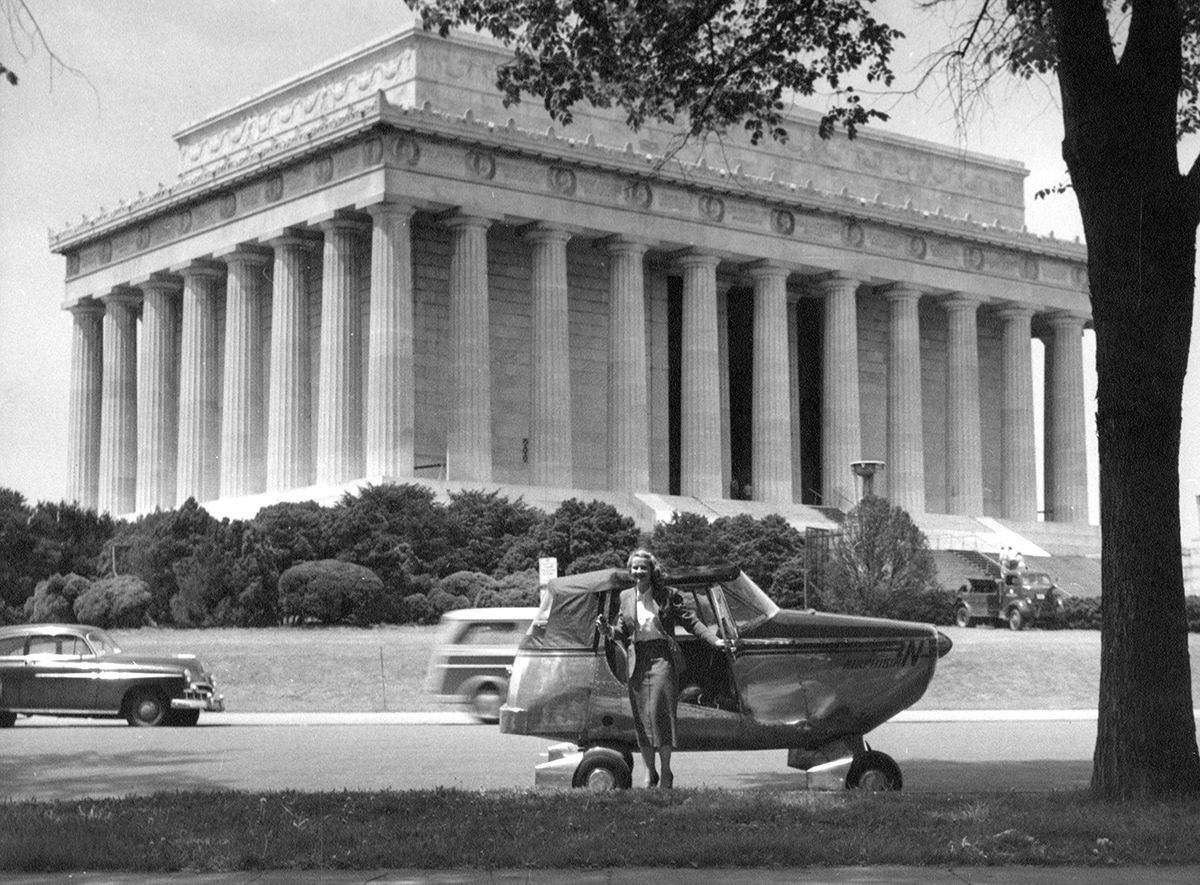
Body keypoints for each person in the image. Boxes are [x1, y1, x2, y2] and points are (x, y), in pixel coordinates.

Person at [597, 548, 725, 788]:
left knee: (660, 715)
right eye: (634, 568)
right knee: (642, 718)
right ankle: (650, 773)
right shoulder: (626, 597)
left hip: (662, 658)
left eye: (642, 568)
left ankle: (666, 773)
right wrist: (608, 631)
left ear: (651, 570)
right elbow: (622, 631)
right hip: (637, 660)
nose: (638, 572)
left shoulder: (667, 595)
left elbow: (691, 621)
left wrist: (714, 640)